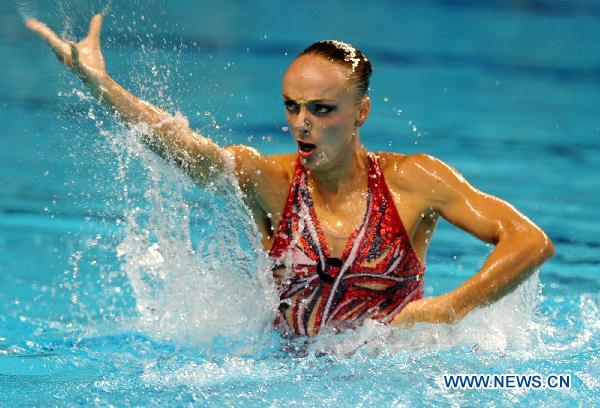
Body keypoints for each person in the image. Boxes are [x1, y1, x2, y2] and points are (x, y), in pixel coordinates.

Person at [26, 14, 554, 337]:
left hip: (387, 375)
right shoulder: (268, 180)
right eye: (292, 107)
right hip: (280, 375)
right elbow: (184, 149)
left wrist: (449, 310)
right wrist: (101, 86)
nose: (302, 124)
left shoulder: (412, 181)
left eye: (322, 109)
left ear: (361, 113)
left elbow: (530, 241)